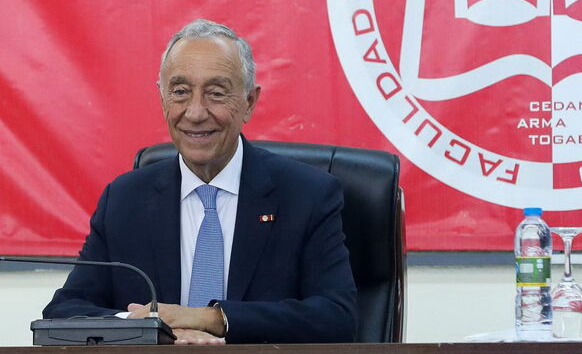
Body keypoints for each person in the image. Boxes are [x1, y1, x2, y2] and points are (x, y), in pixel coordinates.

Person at [43, 19, 357, 344]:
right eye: (180, 92)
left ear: (249, 102)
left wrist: (212, 318)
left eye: (216, 93)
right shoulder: (125, 200)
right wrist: (155, 327)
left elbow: (336, 317)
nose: (194, 112)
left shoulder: (307, 195)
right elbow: (63, 312)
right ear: (162, 97)